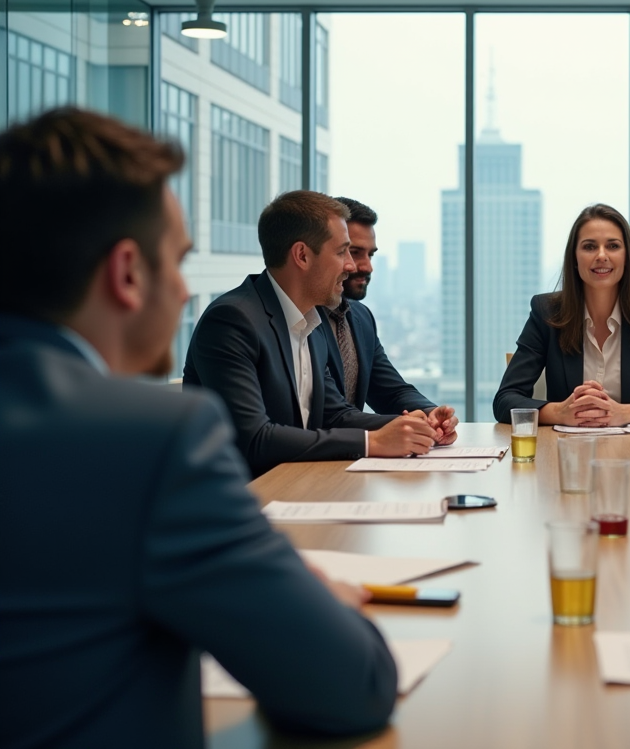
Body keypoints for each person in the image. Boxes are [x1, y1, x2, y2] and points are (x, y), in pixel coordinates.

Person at [0, 108, 397, 748]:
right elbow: (356, 685)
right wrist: (319, 596)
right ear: (128, 273)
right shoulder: (154, 442)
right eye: (177, 262)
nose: (186, 291)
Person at [184, 190, 437, 476]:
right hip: (241, 500)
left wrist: (412, 427)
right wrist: (373, 441)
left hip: (297, 486)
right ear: (302, 256)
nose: (352, 266)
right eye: (343, 252)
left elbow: (335, 415)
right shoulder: (232, 321)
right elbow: (254, 439)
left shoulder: (311, 322)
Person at [493, 203, 630, 426]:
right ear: (574, 258)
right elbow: (505, 401)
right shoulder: (547, 311)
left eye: (613, 246)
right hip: (567, 450)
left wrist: (624, 413)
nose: (601, 256)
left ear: (627, 256)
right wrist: (560, 412)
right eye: (590, 247)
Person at [319, 196, 457, 442]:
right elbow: (331, 413)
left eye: (370, 255)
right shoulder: (302, 319)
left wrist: (430, 414)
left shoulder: (360, 317)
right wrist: (405, 424)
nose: (366, 266)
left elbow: (390, 391)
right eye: (352, 252)